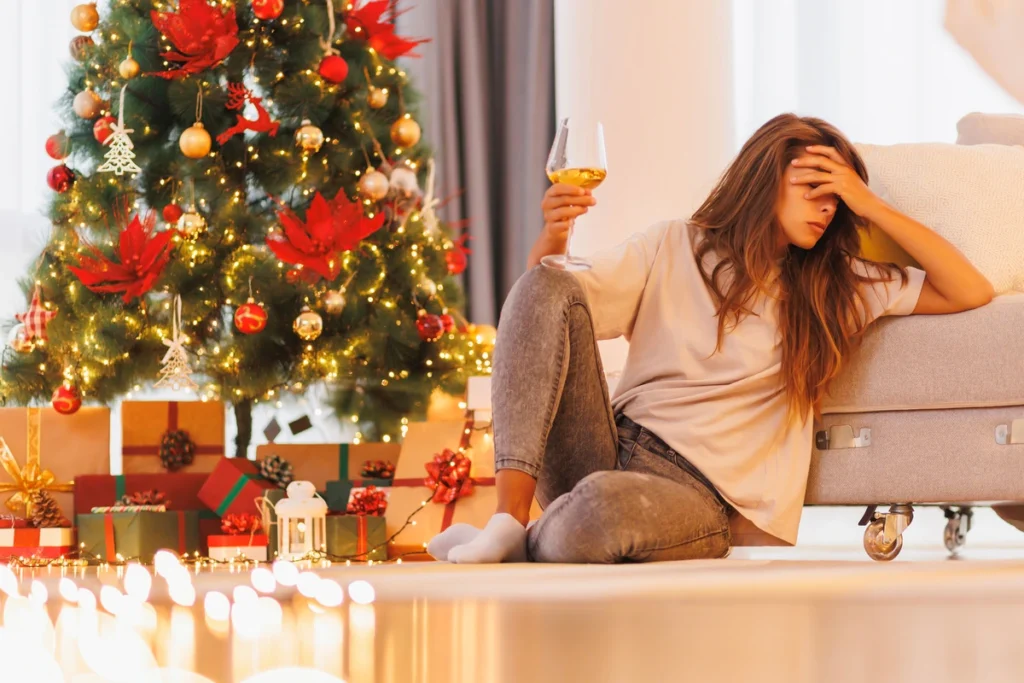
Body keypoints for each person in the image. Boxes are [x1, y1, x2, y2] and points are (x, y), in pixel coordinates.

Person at [428, 113, 995, 564]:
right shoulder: (674, 244)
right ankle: (509, 519)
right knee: (544, 278)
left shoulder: (840, 287)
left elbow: (969, 289)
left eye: (836, 197)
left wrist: (869, 204)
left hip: (694, 495)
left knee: (599, 511)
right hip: (607, 445)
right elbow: (548, 307)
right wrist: (553, 235)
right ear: (763, 179)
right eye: (812, 187)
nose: (826, 207)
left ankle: (528, 541)